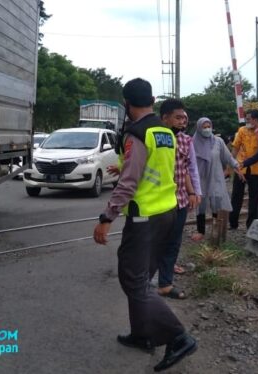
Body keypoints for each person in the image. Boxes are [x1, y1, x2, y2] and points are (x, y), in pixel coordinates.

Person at [93, 78, 196, 372]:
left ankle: (178, 337)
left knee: (133, 280)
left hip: (144, 216)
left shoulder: (137, 133)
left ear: (127, 103)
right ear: (151, 100)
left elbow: (129, 183)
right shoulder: (165, 131)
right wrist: (123, 164)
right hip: (167, 211)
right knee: (142, 278)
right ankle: (143, 335)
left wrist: (106, 217)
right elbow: (152, 167)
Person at [153, 98, 201, 300]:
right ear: (165, 118)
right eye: (178, 117)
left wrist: (193, 193)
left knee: (173, 242)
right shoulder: (153, 137)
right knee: (153, 242)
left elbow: (188, 170)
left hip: (179, 200)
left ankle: (165, 283)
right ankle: (143, 281)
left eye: (185, 118)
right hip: (157, 200)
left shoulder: (185, 141)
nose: (183, 121)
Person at [192, 117, 242, 240]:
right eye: (204, 127)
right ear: (199, 128)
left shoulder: (218, 141)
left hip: (216, 176)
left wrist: (236, 166)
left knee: (217, 201)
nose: (207, 129)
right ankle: (201, 231)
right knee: (201, 204)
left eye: (209, 126)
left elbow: (227, 157)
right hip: (200, 178)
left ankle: (216, 228)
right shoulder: (192, 143)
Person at [229, 109, 258, 229]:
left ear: (256, 120)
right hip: (241, 168)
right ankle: (233, 223)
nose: (246, 121)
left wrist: (257, 133)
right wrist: (232, 163)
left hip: (257, 170)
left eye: (248, 119)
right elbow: (235, 147)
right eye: (246, 119)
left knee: (255, 199)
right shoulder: (242, 130)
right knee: (236, 196)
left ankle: (251, 225)